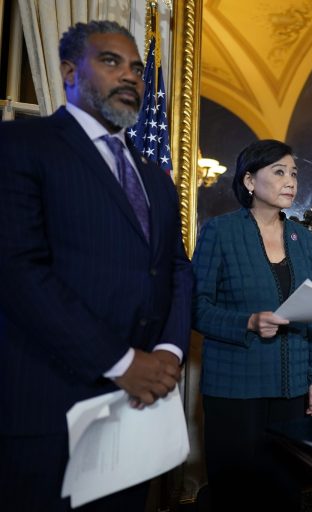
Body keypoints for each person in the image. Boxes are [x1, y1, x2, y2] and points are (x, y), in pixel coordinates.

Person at [0, 21, 193, 511]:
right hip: (49, 407)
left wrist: (168, 353)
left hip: (139, 408)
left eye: (136, 68)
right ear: (69, 71)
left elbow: (175, 270)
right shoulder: (21, 146)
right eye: (110, 61)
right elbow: (19, 271)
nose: (130, 76)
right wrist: (124, 363)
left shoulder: (155, 176)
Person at [191, 139, 312, 510]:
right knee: (236, 495)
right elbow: (196, 308)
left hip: (293, 389)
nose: (291, 182)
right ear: (249, 181)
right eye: (279, 172)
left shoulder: (303, 240)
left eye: (294, 173)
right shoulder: (220, 232)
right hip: (236, 389)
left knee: (284, 492)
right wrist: (247, 322)